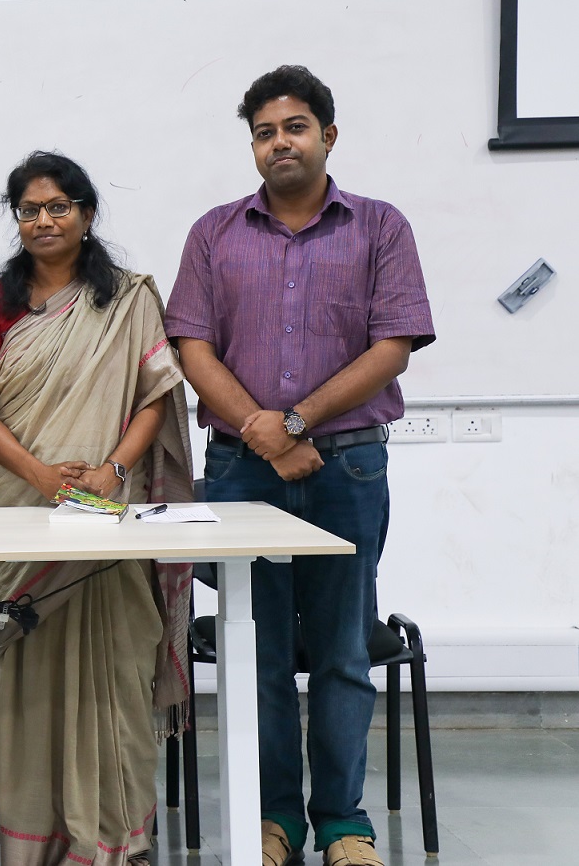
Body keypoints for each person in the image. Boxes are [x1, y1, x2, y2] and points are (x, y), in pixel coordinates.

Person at [165, 66, 434, 866]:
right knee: (258, 652)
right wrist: (265, 437)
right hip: (242, 472)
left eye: (293, 127)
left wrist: (290, 422)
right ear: (251, 145)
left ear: (327, 134)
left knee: (344, 647)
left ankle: (343, 821)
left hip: (347, 468)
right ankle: (272, 817)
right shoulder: (214, 232)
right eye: (262, 131)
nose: (278, 142)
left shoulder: (379, 227)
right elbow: (191, 346)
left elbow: (392, 348)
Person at [0, 151, 193, 866]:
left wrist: (112, 470)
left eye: (58, 207)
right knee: (27, 672)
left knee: (114, 673)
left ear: (87, 215)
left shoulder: (127, 299)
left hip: (106, 514)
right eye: (29, 209)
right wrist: (37, 473)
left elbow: (155, 398)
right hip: (18, 510)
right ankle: (36, 838)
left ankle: (116, 835)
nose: (43, 220)